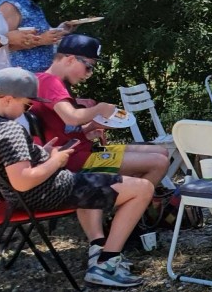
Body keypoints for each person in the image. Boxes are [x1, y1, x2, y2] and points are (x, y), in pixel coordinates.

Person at [0, 68, 154, 287]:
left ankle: (100, 246)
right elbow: (23, 180)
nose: (25, 111)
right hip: (47, 192)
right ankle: (106, 264)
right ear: (7, 99)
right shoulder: (9, 130)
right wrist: (55, 161)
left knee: (101, 174)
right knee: (142, 188)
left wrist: (43, 153)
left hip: (17, 198)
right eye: (27, 105)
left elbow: (11, 166)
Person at [30, 35, 171, 190]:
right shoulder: (52, 82)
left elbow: (59, 129)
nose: (89, 74)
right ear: (70, 60)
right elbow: (72, 118)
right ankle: (131, 204)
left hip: (81, 150)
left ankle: (131, 200)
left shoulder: (42, 79)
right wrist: (101, 109)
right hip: (75, 159)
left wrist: (90, 127)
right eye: (89, 67)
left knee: (162, 152)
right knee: (159, 163)